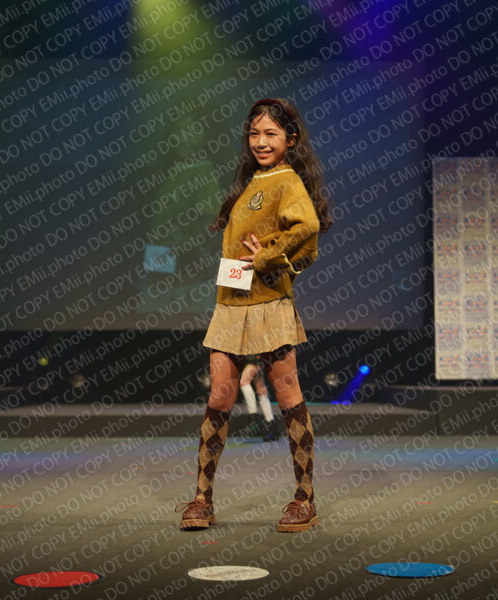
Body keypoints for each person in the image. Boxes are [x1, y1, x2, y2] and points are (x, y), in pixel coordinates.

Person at [175, 97, 332, 533]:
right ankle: (202, 498)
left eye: (271, 134)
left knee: (288, 397)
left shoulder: (286, 180)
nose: (260, 142)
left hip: (267, 303)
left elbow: (308, 228)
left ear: (290, 139)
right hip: (231, 303)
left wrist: (268, 257)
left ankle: (304, 498)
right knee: (219, 398)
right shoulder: (254, 180)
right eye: (254, 134)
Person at [234, 355, 279, 442]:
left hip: (254, 355)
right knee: (261, 389)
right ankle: (271, 428)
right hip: (253, 355)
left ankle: (253, 418)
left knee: (244, 382)